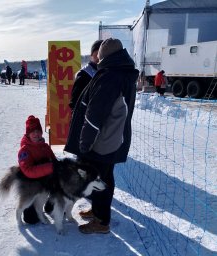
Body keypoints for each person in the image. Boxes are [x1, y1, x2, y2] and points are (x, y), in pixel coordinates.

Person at [64, 38, 139, 234]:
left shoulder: (109, 77)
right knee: (105, 177)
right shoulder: (123, 73)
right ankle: (98, 211)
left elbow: (94, 116)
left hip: (102, 142)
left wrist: (84, 143)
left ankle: (101, 221)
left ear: (105, 56)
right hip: (113, 138)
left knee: (99, 180)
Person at [18, 115, 57, 224]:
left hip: (45, 181)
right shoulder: (24, 150)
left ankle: (51, 205)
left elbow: (54, 162)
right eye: (32, 131)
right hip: (30, 184)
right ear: (28, 134)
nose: (36, 134)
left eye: (38, 131)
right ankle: (30, 207)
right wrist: (49, 167)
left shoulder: (45, 147)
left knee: (59, 179)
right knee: (31, 219)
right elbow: (28, 171)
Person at [69, 40, 103, 111]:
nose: (99, 56)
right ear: (91, 55)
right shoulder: (84, 74)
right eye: (96, 53)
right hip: (87, 118)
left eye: (102, 53)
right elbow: (74, 102)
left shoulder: (106, 71)